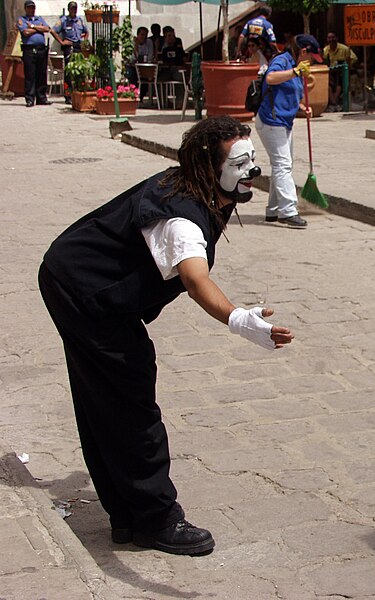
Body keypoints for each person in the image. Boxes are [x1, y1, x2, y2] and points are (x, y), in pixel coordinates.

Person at [38, 116, 294, 556]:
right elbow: (195, 279)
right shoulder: (181, 219)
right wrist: (237, 318)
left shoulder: (199, 186)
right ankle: (156, 519)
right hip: (86, 292)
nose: (252, 171)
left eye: (252, 159)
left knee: (106, 397)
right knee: (131, 400)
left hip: (76, 278)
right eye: (240, 162)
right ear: (208, 168)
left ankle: (127, 516)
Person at [254, 34, 321, 228]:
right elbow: (271, 78)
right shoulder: (282, 61)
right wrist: (295, 71)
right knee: (283, 164)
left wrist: (301, 107)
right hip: (271, 121)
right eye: (311, 57)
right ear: (303, 51)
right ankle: (288, 211)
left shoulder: (295, 67)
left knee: (282, 164)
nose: (310, 62)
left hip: (283, 122)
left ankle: (273, 209)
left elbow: (289, 93)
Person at [50, 1, 88, 104]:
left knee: (80, 71)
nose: (73, 10)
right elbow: (53, 31)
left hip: (78, 46)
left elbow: (86, 31)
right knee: (69, 72)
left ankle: (79, 92)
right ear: (68, 9)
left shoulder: (79, 20)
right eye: (72, 8)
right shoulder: (64, 21)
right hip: (69, 46)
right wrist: (61, 42)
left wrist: (84, 42)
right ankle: (68, 95)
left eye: (75, 8)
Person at [17, 0, 51, 107]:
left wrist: (32, 27)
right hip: (29, 49)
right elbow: (25, 32)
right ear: (26, 9)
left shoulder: (39, 18)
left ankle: (41, 97)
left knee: (42, 74)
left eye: (33, 8)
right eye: (29, 8)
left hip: (41, 49)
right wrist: (38, 28)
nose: (31, 10)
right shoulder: (21, 20)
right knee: (30, 74)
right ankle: (30, 98)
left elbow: (46, 28)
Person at [323, 32, 357, 111]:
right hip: (330, 73)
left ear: (337, 38)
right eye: (329, 38)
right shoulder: (325, 50)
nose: (331, 40)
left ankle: (335, 103)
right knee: (329, 86)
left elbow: (354, 58)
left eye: (333, 37)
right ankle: (334, 103)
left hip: (342, 73)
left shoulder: (344, 49)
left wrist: (348, 66)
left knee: (339, 86)